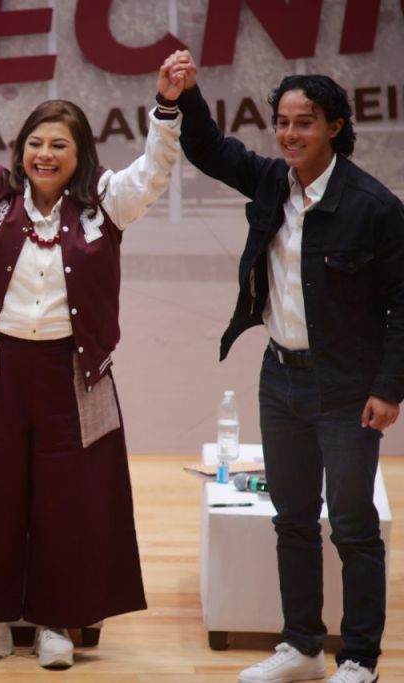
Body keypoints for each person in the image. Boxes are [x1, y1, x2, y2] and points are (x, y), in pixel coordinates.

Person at [0, 55, 189, 669]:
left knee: (69, 503)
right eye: (35, 143)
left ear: (79, 153)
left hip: (73, 377)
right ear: (21, 150)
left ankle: (57, 622)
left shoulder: (106, 201)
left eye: (59, 145)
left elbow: (155, 170)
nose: (45, 154)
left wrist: (167, 108)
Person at [175, 52, 402, 683]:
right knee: (293, 521)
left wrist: (389, 388)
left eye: (304, 122)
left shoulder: (374, 206)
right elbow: (210, 150)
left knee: (353, 527)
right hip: (279, 378)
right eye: (282, 122)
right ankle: (302, 647)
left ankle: (359, 659)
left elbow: (402, 305)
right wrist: (187, 94)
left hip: (346, 388)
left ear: (335, 126)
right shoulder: (273, 182)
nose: (289, 134)